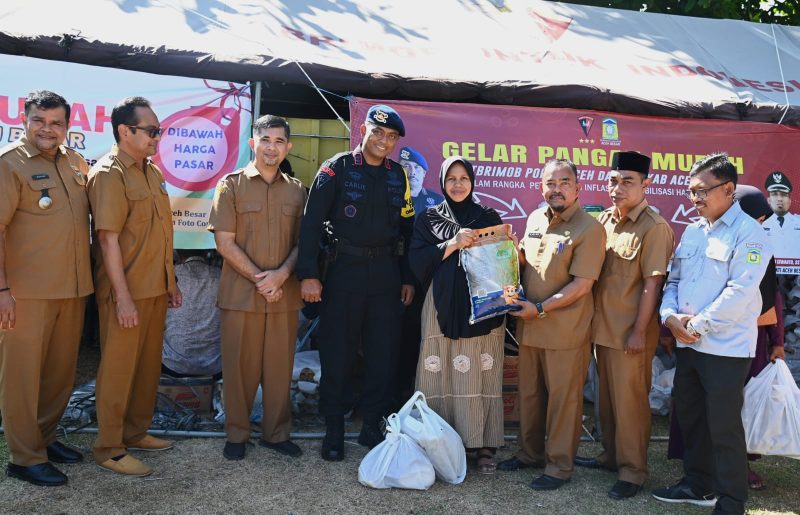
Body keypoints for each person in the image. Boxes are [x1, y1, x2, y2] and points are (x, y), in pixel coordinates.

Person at [296, 104, 415, 461]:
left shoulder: (399, 175)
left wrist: (406, 277)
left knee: (382, 355)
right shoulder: (336, 168)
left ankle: (370, 427)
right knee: (338, 353)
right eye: (378, 132)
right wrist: (309, 275)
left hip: (385, 276)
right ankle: (334, 428)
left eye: (391, 137)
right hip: (343, 273)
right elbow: (311, 223)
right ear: (363, 130)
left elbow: (406, 229)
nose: (384, 141)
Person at [654, 153, 771, 514]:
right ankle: (698, 484)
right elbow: (673, 280)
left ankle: (732, 501)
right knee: (690, 418)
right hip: (689, 343)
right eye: (691, 192)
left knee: (723, 426)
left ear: (729, 189)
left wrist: (697, 325)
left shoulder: (750, 233)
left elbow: (741, 291)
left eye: (702, 191)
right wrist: (670, 316)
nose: (695, 199)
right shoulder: (692, 230)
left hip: (726, 347)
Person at [0, 90, 93, 486]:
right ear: (24, 120)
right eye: (39, 120)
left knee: (59, 375)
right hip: (26, 293)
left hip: (71, 289)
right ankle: (23, 456)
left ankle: (46, 438)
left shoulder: (75, 162)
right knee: (21, 376)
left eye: (56, 122)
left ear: (67, 126)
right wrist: (2, 291)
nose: (47, 129)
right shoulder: (9, 166)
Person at [497, 158, 606, 490]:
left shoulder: (590, 228)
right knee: (529, 396)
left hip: (564, 332)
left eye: (564, 182)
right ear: (541, 186)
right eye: (550, 183)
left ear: (577, 188)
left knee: (563, 402)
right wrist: (510, 254)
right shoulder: (534, 218)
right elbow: (530, 265)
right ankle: (530, 453)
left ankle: (559, 466)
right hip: (529, 328)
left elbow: (582, 285)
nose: (556, 189)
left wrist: (540, 309)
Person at [88, 96, 182, 477]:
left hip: (154, 289)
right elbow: (108, 240)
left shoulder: (151, 171)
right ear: (125, 131)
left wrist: (170, 282)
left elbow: (160, 232)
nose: (157, 137)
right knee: (118, 369)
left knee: (145, 369)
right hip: (124, 293)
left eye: (158, 131)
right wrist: (123, 298)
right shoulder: (110, 174)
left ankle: (135, 431)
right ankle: (109, 447)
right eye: (151, 131)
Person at [573, 151, 674, 499]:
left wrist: (637, 331)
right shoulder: (603, 221)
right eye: (613, 180)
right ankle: (611, 456)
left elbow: (652, 284)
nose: (618, 188)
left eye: (627, 181)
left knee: (630, 404)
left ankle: (633, 471)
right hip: (601, 330)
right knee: (607, 402)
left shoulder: (654, 228)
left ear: (646, 184)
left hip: (631, 333)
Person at [208, 115, 307, 461]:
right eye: (266, 140)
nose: (272, 147)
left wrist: (280, 276)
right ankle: (237, 433)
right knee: (239, 368)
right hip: (241, 295)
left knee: (280, 369)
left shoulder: (297, 190)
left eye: (279, 142)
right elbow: (224, 242)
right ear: (253, 143)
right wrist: (261, 279)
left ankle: (276, 434)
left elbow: (303, 244)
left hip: (283, 295)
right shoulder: (230, 186)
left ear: (288, 147)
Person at [410, 156, 505, 474]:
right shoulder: (429, 219)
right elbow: (417, 261)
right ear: (441, 182)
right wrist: (452, 243)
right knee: (440, 369)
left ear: (473, 181)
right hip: (441, 306)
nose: (458, 184)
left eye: (464, 178)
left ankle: (483, 446)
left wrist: (508, 250)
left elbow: (502, 264)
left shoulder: (487, 216)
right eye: (451, 178)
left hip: (482, 311)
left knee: (480, 371)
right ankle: (437, 442)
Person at [396, 146, 443, 404]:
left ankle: (420, 392)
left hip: (424, 284)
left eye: (417, 168)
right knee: (394, 339)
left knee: (420, 337)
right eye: (406, 167)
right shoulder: (390, 195)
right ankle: (397, 392)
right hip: (390, 278)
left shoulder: (436, 203)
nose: (411, 172)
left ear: (425, 174)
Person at [762, 171, 800, 261]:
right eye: (775, 194)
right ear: (768, 200)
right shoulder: (760, 224)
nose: (779, 199)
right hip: (769, 274)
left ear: (790, 200)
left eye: (783, 195)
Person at [400, 146, 444, 216]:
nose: (412, 172)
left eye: (416, 167)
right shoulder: (389, 197)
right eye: (406, 166)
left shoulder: (438, 200)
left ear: (424, 173)